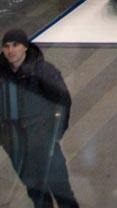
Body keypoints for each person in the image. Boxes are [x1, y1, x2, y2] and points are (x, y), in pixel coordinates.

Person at [0, 29, 78, 208]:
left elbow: (62, 101)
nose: (11, 50)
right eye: (6, 46)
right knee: (36, 192)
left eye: (15, 45)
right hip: (17, 145)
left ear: (25, 47)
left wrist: (56, 133)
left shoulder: (43, 71)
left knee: (61, 189)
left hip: (44, 142)